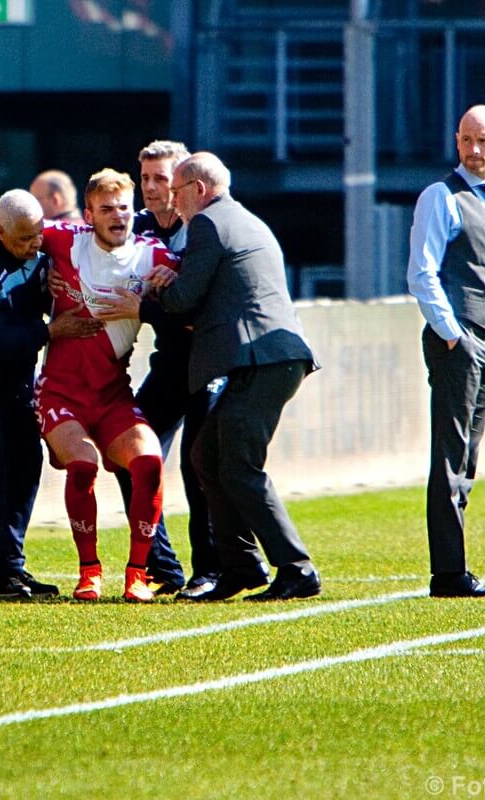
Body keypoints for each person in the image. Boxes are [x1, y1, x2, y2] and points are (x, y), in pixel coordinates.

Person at [0, 169, 179, 602]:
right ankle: (48, 572)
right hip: (13, 384)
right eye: (106, 209)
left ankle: (134, 572)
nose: (117, 217)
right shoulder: (38, 247)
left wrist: (159, 296)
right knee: (10, 465)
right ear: (88, 215)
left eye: (123, 208)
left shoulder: (152, 255)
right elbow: (3, 220)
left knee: (132, 463)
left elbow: (191, 282)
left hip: (85, 387)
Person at [157, 152, 321, 602]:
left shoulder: (208, 224)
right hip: (271, 358)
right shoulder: (247, 220)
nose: (173, 203)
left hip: (262, 360)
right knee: (207, 457)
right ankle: (241, 567)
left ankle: (297, 568)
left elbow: (185, 297)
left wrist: (149, 293)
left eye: (176, 191)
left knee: (239, 466)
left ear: (199, 190)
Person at [0, 190, 102, 598]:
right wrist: (50, 330)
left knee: (27, 462)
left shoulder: (35, 241)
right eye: (24, 240)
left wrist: (51, 291)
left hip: (17, 376)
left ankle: (13, 564)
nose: (35, 245)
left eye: (38, 235)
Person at [91, 139, 222, 598]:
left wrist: (170, 284)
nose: (150, 187)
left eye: (161, 178)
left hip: (210, 361)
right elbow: (82, 243)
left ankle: (212, 569)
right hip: (169, 362)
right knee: (130, 456)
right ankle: (163, 568)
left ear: (184, 181)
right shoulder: (136, 226)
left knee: (200, 464)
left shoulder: (206, 227)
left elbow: (201, 300)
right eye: (144, 178)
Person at [406, 104, 485, 599]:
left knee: (467, 454)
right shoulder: (441, 197)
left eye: (482, 141)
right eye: (466, 140)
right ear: (456, 141)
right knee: (449, 454)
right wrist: (453, 334)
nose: (473, 150)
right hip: (461, 339)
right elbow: (421, 273)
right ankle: (449, 572)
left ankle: (456, 566)